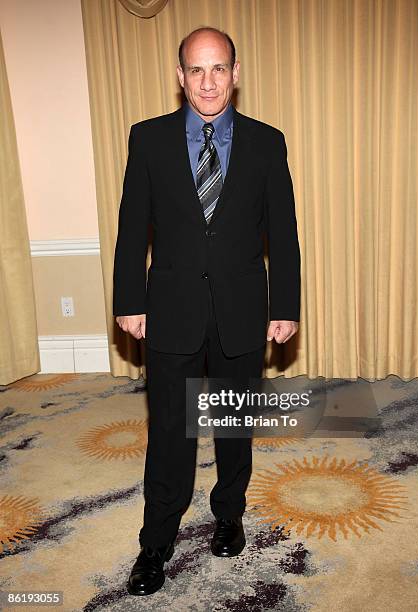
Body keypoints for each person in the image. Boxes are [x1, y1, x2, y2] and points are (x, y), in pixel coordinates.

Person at [113, 26, 301, 596]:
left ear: (236, 74)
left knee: (231, 425)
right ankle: (157, 541)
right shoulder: (148, 140)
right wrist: (128, 301)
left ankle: (229, 515)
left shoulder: (268, 143)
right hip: (171, 308)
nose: (208, 81)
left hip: (242, 309)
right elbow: (130, 230)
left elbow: (285, 235)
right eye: (196, 70)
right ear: (180, 77)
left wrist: (285, 305)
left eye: (218, 68)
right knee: (170, 430)